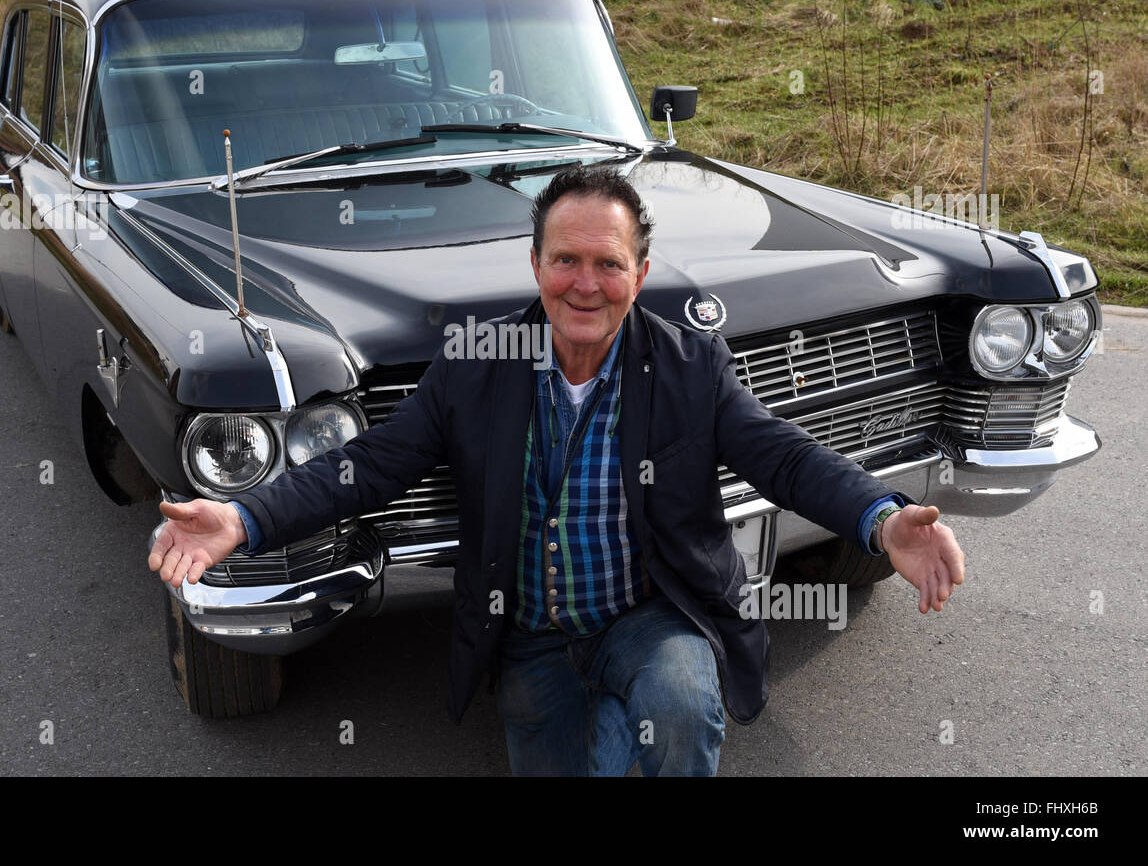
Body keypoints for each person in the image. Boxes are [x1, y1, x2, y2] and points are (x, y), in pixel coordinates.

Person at [149, 164, 965, 776]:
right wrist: (244, 518)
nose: (587, 283)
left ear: (640, 276)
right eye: (566, 260)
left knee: (678, 708)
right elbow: (370, 466)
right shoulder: (477, 363)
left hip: (653, 615)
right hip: (531, 636)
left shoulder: (690, 366)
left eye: (609, 264)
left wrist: (881, 518)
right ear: (535, 264)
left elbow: (782, 454)